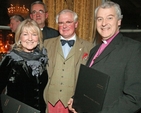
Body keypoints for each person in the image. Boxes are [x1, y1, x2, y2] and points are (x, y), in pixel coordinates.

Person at [68, 1, 141, 113]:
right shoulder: (94, 50)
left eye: (110, 18)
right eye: (99, 19)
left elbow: (134, 98)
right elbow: (89, 84)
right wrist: (76, 100)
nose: (103, 23)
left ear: (119, 21)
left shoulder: (133, 49)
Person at [43, 9, 93, 113]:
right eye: (61, 23)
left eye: (68, 22)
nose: (64, 26)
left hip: (73, 105)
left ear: (76, 24)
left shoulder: (89, 48)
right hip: (50, 101)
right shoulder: (46, 45)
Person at [0, 19, 48, 113]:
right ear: (19, 37)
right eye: (25, 34)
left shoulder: (43, 58)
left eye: (34, 34)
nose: (30, 38)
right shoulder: (11, 60)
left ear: (38, 38)